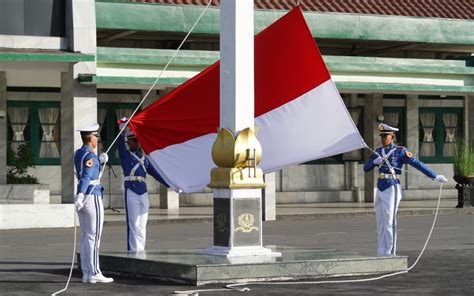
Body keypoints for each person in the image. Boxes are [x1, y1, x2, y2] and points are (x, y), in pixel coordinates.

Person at [363, 123, 447, 257]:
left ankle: (390, 253)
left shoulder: (400, 151)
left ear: (393, 136)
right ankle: (381, 252)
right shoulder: (378, 152)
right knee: (381, 222)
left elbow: (417, 164)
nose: (383, 139)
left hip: (392, 186)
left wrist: (435, 176)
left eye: (386, 136)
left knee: (390, 221)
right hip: (380, 186)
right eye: (382, 136)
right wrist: (374, 162)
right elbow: (366, 168)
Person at [117, 118, 168, 253]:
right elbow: (119, 144)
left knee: (142, 225)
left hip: (143, 192)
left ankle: (141, 250)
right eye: (133, 141)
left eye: (137, 141)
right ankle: (133, 251)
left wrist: (171, 184)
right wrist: (122, 129)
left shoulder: (144, 158)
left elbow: (156, 174)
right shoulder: (126, 155)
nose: (136, 143)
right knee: (133, 224)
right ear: (129, 143)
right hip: (131, 191)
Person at [74, 123, 113, 283]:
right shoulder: (90, 155)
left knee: (85, 236)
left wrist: (100, 160)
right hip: (91, 196)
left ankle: (87, 272)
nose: (97, 139)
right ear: (90, 137)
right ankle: (94, 272)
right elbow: (86, 177)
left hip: (83, 199)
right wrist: (81, 194)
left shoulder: (79, 153)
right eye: (96, 136)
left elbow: (84, 171)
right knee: (94, 237)